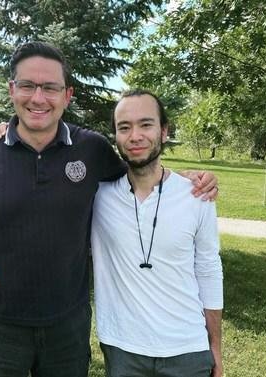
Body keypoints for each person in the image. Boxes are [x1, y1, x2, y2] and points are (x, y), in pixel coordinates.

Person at [0, 41, 217, 377]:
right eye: (28, 85)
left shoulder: (91, 149)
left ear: (67, 95)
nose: (38, 98)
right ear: (12, 90)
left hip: (67, 330)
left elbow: (139, 175)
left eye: (50, 87)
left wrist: (186, 180)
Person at [91, 89, 223, 377]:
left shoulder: (196, 195)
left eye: (146, 124)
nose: (135, 135)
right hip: (122, 349)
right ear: (115, 136)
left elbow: (209, 269)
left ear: (164, 131)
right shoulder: (97, 195)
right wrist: (2, 132)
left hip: (187, 351)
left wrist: (215, 347)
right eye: (124, 127)